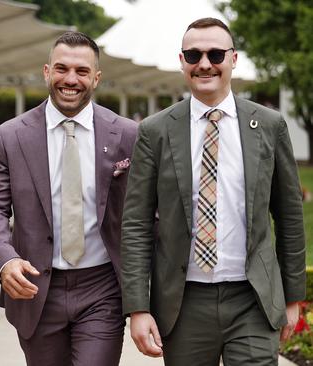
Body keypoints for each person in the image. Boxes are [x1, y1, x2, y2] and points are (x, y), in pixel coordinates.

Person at [121, 17, 305, 366]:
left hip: (252, 299)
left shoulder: (269, 125)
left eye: (215, 54)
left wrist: (294, 297)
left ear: (233, 59)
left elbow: (290, 216)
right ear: (182, 62)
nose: (205, 64)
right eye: (193, 55)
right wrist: (138, 307)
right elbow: (136, 224)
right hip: (184, 303)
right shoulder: (155, 131)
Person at [0, 31, 138, 365]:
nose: (70, 79)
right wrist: (5, 260)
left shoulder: (126, 134)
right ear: (47, 72)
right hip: (35, 288)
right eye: (62, 69)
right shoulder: (9, 137)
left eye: (81, 71)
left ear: (96, 78)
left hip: (102, 287)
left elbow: (148, 212)